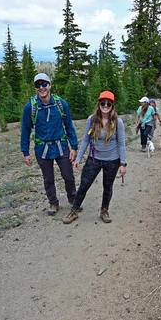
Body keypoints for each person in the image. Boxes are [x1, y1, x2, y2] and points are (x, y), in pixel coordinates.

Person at [63, 91, 127, 224]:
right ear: (99, 104)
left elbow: (121, 143)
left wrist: (123, 163)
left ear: (112, 105)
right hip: (94, 159)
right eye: (102, 103)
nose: (105, 105)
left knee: (107, 186)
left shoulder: (117, 122)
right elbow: (86, 140)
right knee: (84, 185)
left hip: (112, 161)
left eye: (108, 103)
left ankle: (104, 210)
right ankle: (74, 210)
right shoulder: (91, 120)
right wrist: (78, 159)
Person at [20, 73, 78, 216]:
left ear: (50, 85)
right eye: (38, 85)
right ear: (35, 88)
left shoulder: (61, 104)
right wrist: (25, 152)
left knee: (68, 175)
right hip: (42, 148)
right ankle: (53, 203)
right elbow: (25, 130)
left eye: (44, 84)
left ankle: (73, 199)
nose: (41, 88)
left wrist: (74, 146)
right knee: (48, 178)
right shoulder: (30, 108)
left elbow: (69, 125)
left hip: (61, 145)